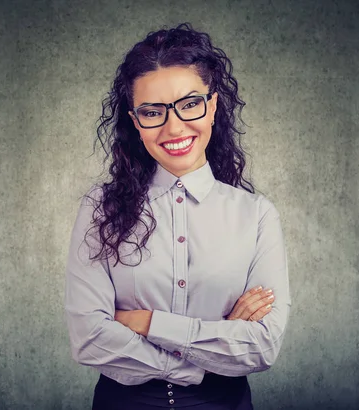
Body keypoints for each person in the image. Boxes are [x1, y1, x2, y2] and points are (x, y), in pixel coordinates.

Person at [65, 23, 291, 410]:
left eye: (189, 104)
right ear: (136, 122)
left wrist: (145, 322)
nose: (174, 127)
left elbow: (261, 348)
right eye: (152, 112)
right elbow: (89, 338)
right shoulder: (99, 207)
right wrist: (204, 353)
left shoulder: (256, 216)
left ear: (213, 105)